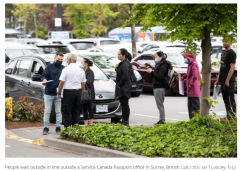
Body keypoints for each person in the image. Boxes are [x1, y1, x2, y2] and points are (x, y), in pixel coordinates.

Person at [57, 54, 86, 128]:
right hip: (78, 91)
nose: (67, 61)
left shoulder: (66, 69)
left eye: (67, 60)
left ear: (69, 60)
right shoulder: (81, 70)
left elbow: (61, 82)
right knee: (76, 111)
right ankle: (75, 129)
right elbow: (83, 83)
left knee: (66, 111)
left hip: (68, 92)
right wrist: (81, 92)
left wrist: (59, 93)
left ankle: (67, 129)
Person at [41, 52, 65, 135]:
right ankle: (46, 128)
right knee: (47, 111)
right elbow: (44, 75)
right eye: (58, 59)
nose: (60, 61)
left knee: (58, 111)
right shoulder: (49, 67)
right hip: (48, 92)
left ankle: (58, 127)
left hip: (58, 93)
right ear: (55, 58)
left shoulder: (63, 68)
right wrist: (44, 79)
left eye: (61, 60)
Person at [146, 51, 172, 125]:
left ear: (161, 57)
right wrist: (151, 72)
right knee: (159, 104)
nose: (155, 58)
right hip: (157, 86)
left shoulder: (163, 66)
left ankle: (162, 120)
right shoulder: (159, 65)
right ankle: (162, 119)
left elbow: (159, 76)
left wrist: (151, 72)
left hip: (160, 87)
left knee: (160, 104)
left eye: (156, 57)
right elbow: (156, 76)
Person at [215, 40, 236, 119]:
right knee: (225, 98)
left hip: (229, 80)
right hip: (222, 79)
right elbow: (221, 66)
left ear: (230, 42)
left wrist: (227, 80)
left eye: (226, 41)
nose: (224, 43)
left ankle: (232, 116)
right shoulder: (223, 53)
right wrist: (218, 79)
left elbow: (232, 67)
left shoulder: (232, 53)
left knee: (230, 98)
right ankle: (228, 116)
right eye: (223, 41)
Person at [181, 53, 201, 119]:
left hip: (193, 87)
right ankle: (191, 119)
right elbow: (190, 74)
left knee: (195, 105)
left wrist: (191, 83)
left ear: (189, 58)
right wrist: (184, 76)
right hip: (191, 88)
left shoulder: (194, 64)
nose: (184, 59)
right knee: (190, 105)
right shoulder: (190, 64)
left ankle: (196, 119)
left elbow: (195, 75)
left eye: (185, 57)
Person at [115, 48, 132, 126]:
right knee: (123, 103)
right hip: (123, 86)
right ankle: (124, 119)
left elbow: (125, 76)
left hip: (124, 87)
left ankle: (126, 121)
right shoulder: (122, 63)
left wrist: (119, 85)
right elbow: (120, 73)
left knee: (125, 104)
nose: (118, 56)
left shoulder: (125, 64)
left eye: (119, 54)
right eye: (118, 54)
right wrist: (117, 68)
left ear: (124, 55)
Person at [80, 58, 95, 126]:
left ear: (86, 64)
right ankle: (85, 123)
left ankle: (91, 123)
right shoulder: (81, 71)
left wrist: (83, 81)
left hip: (89, 92)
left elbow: (89, 81)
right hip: (83, 92)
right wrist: (84, 80)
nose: (81, 64)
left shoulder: (90, 72)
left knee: (90, 108)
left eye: (82, 62)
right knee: (84, 108)